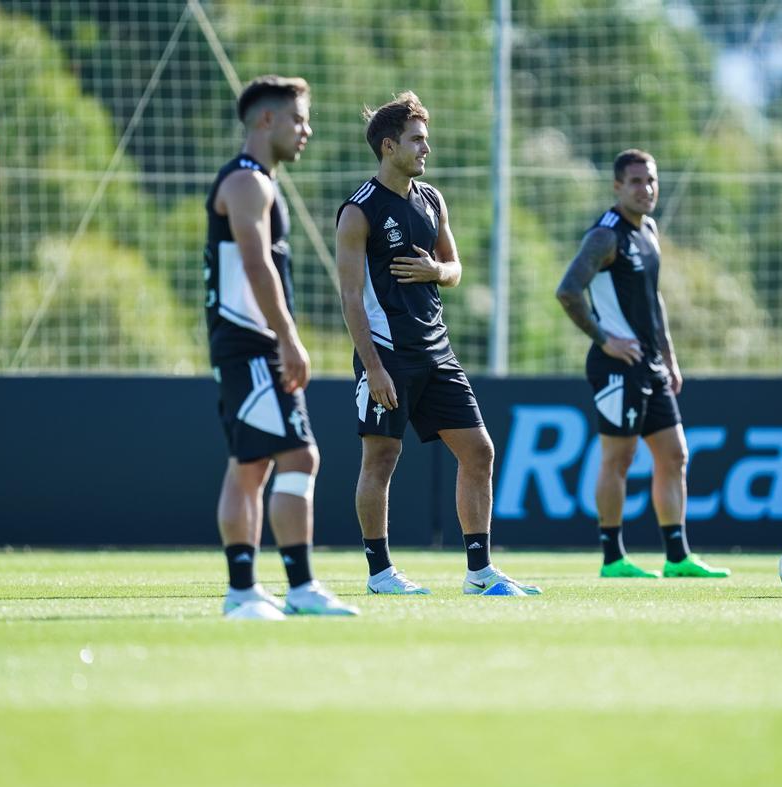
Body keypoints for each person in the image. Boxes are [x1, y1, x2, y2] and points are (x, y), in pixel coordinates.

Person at [335, 91, 539, 597]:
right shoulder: (358, 211)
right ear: (389, 146)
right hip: (387, 354)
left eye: (427, 139)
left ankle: (479, 573)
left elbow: (455, 267)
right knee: (380, 460)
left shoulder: (432, 200)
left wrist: (436, 270)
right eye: (417, 140)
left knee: (480, 452)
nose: (427, 149)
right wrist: (373, 367)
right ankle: (381, 574)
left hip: (437, 350)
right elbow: (350, 298)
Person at [204, 75, 358, 619]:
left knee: (251, 466)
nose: (306, 130)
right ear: (266, 120)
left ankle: (247, 590)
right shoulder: (248, 183)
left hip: (245, 345)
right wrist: (288, 338)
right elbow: (254, 263)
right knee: (298, 455)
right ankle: (287, 589)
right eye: (298, 119)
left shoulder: (255, 181)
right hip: (250, 345)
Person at [555, 149, 729, 580]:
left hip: (650, 364)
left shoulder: (648, 230)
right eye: (635, 181)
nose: (645, 189)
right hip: (616, 365)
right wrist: (604, 340)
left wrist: (669, 356)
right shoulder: (604, 236)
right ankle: (613, 559)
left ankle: (677, 558)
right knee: (619, 458)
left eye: (650, 180)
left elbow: (654, 300)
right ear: (617, 187)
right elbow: (568, 291)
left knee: (674, 455)